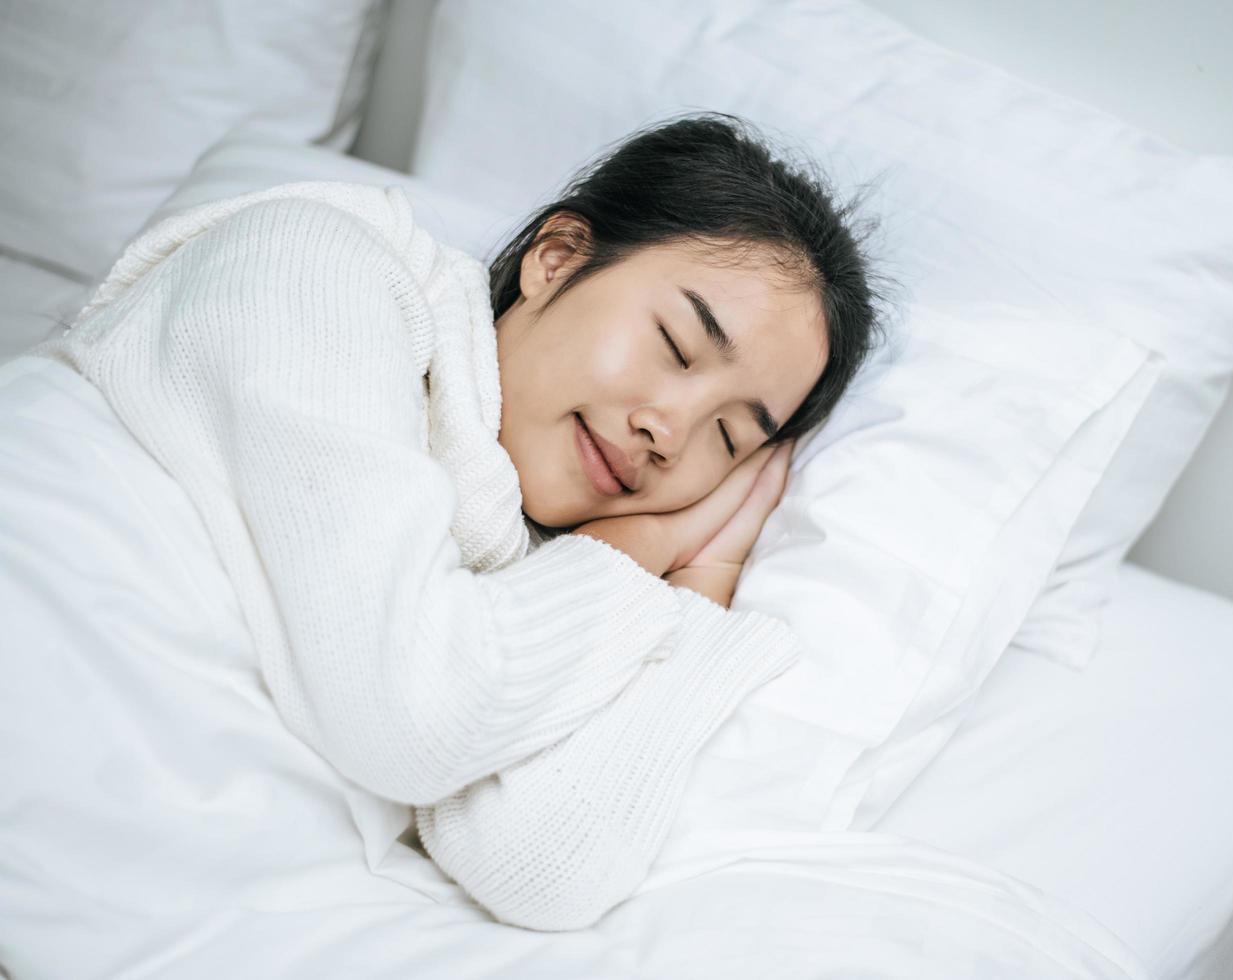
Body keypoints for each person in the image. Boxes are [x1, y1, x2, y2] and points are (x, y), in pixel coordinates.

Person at [28, 111, 887, 930]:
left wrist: (698, 591)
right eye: (675, 345)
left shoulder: (521, 579)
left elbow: (541, 868)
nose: (670, 432)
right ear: (555, 257)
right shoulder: (316, 263)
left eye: (730, 436)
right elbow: (407, 725)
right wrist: (649, 546)